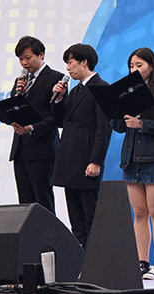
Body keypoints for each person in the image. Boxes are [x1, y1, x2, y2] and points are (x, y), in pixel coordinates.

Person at [110, 48, 154, 280]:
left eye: (139, 65)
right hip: (131, 158)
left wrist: (143, 124)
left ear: (151, 66)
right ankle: (142, 262)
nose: (134, 70)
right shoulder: (128, 92)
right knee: (139, 213)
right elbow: (120, 126)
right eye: (131, 66)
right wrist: (113, 109)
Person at [51, 43, 112, 249]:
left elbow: (103, 129)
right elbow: (62, 122)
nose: (68, 68)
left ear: (84, 62)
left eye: (70, 62)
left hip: (86, 161)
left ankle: (95, 258)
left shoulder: (101, 88)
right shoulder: (76, 90)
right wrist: (58, 100)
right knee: (75, 217)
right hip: (69, 161)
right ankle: (79, 258)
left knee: (91, 215)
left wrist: (96, 161)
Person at [9, 36, 64, 214]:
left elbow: (55, 118)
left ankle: (48, 233)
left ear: (41, 55)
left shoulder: (55, 78)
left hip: (42, 150)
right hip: (20, 150)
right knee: (25, 205)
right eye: (20, 59)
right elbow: (12, 110)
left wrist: (32, 128)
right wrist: (17, 96)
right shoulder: (20, 81)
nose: (24, 63)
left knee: (43, 202)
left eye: (28, 57)